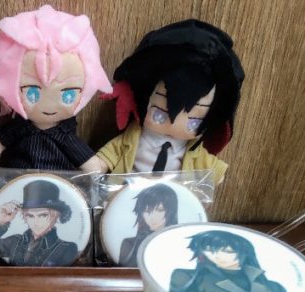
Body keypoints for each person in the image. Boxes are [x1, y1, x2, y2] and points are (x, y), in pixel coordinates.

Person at [95, 20, 244, 184]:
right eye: (159, 115)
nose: (174, 124)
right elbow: (111, 153)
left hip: (172, 199)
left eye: (193, 123)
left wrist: (217, 172)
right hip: (126, 194)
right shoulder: (132, 140)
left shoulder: (193, 152)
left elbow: (213, 171)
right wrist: (98, 164)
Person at [0, 5, 112, 172]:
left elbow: (82, 155)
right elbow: (1, 139)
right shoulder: (21, 125)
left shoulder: (64, 134)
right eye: (32, 94)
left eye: (68, 96)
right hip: (20, 178)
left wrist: (92, 165)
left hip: (58, 180)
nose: (49, 106)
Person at [169, 230, 292, 292]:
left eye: (228, 251)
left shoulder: (275, 288)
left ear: (245, 254)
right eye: (209, 250)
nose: (217, 256)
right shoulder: (187, 277)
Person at [0, 180, 78, 266]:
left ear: (55, 216)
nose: (36, 222)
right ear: (24, 217)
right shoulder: (14, 241)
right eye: (30, 216)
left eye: (43, 215)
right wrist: (0, 222)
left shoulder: (66, 248)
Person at [118, 183, 178, 266]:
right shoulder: (129, 244)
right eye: (146, 211)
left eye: (159, 210)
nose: (152, 217)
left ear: (171, 211)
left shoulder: (179, 243)